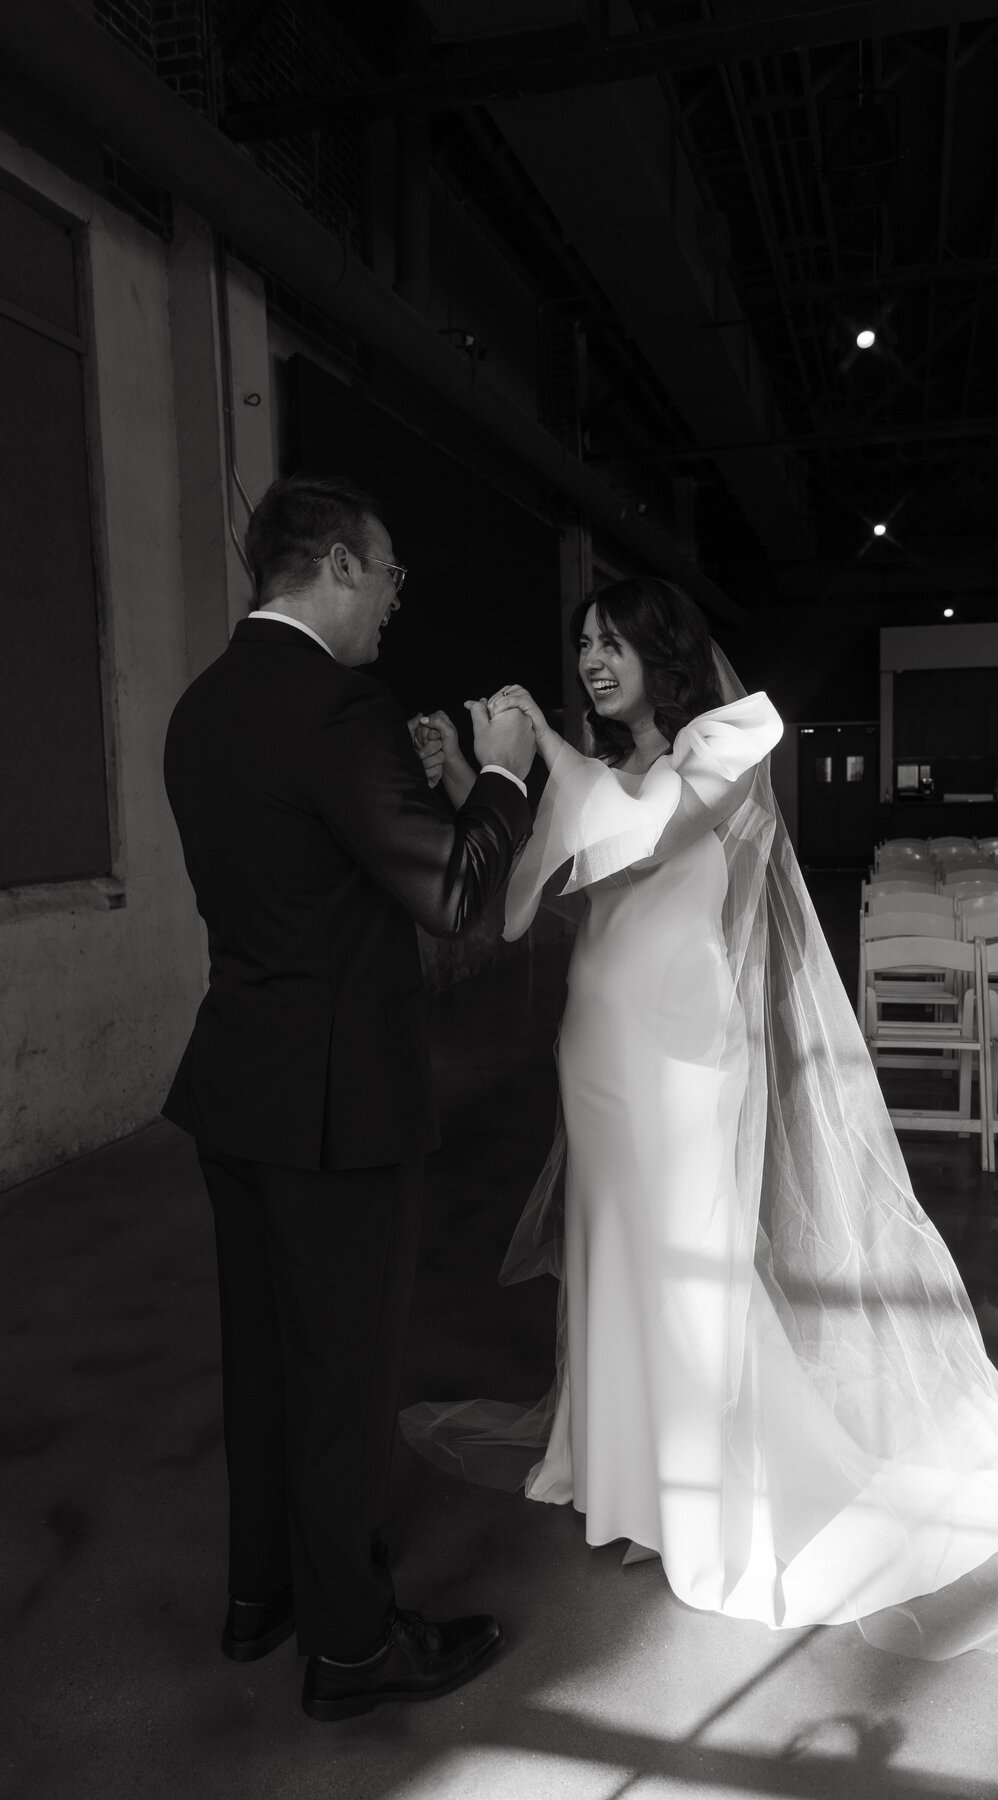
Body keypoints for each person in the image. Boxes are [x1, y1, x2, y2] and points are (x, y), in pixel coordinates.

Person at [402, 576, 998, 1660]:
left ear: (664, 651)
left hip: (686, 1056)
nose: (594, 659)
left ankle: (702, 1499)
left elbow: (643, 833)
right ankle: (616, 1473)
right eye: (583, 644)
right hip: (597, 1042)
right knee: (614, 1256)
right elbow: (525, 911)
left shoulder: (729, 741)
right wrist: (473, 775)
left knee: (688, 1264)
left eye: (613, 642)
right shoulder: (613, 771)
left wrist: (542, 741)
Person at [162, 474, 535, 1721]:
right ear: (330, 565)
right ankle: (355, 1646)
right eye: (386, 574)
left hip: (235, 1089)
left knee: (266, 1365)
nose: (393, 599)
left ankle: (259, 1597)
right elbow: (457, 899)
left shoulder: (200, 710)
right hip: (336, 1111)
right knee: (339, 1382)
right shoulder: (337, 708)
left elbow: (317, 881)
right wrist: (501, 776)